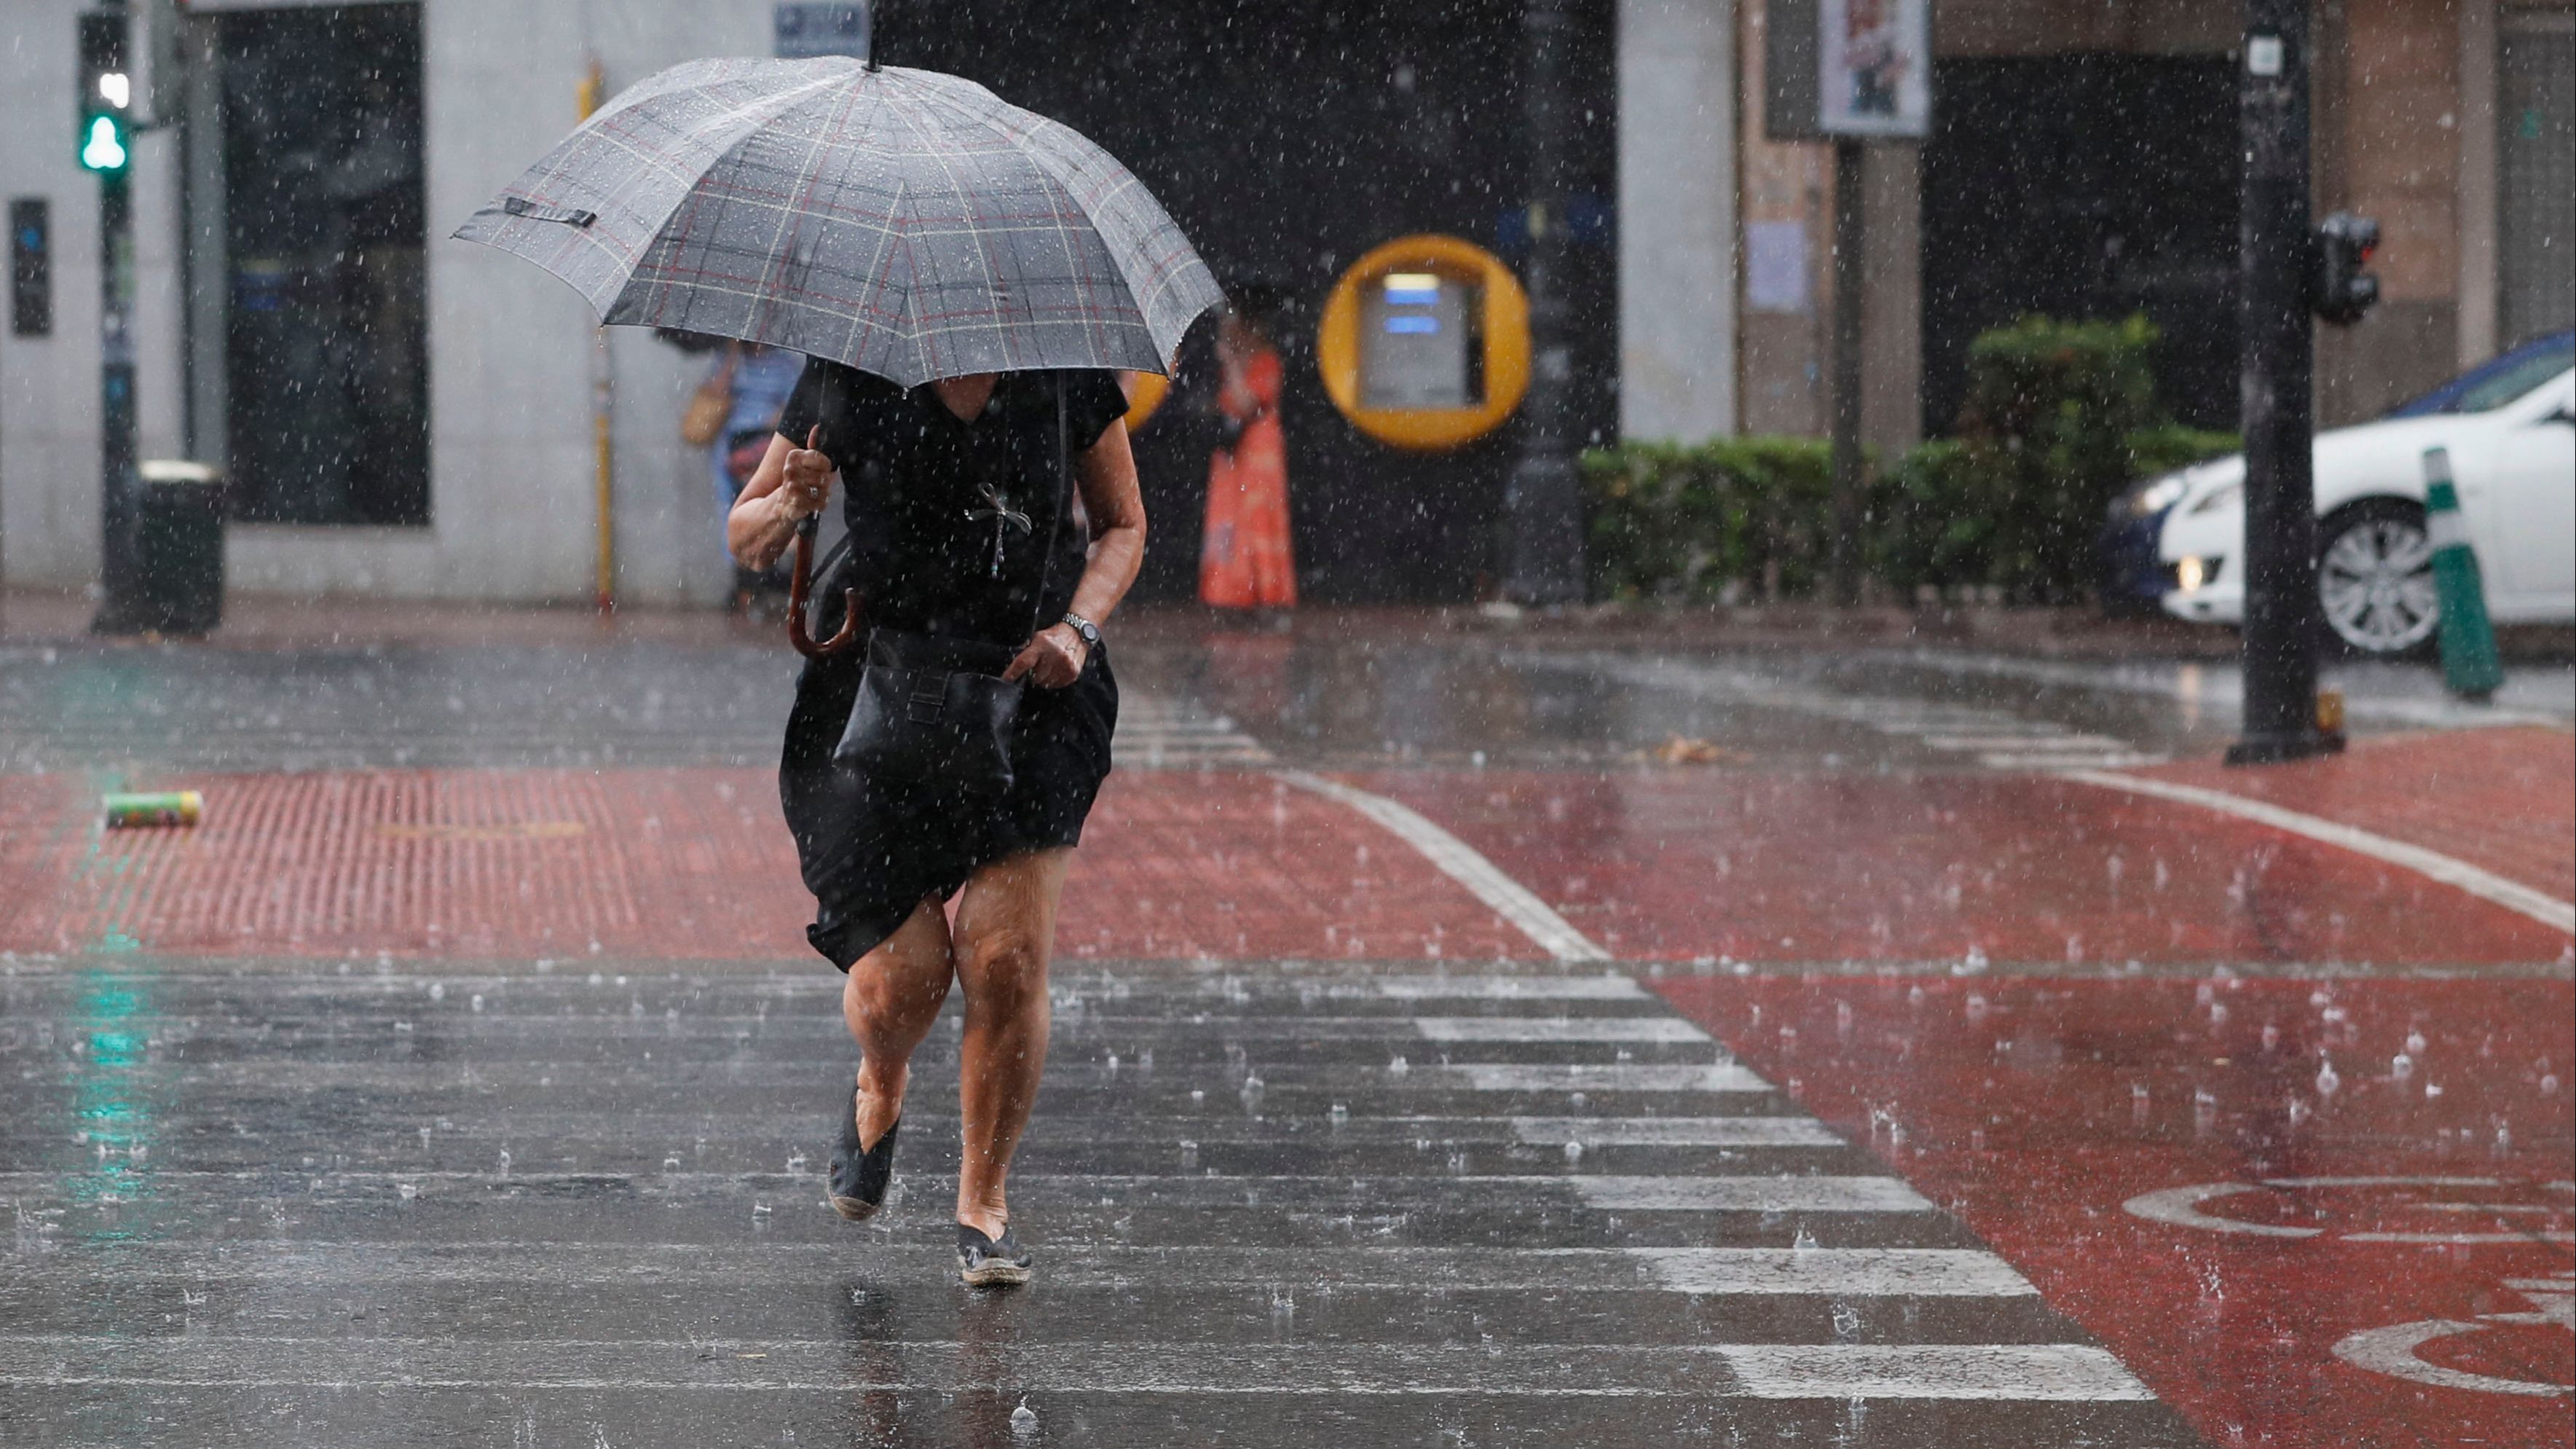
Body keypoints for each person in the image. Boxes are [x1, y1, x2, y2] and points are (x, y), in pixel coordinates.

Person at [726, 361, 1143, 1287]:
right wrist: (794, 503)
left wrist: (1079, 628)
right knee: (902, 986)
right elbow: (746, 538)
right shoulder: (849, 374)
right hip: (878, 692)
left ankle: (982, 1203)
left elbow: (1123, 524)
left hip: (1034, 688)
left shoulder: (1066, 373)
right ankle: (880, 1079)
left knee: (1003, 957)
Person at [1201, 291, 1296, 610]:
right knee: (1229, 520)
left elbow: (1246, 403)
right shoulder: (1230, 364)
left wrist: (1231, 365)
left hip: (1258, 453)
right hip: (1231, 456)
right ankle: (1229, 590)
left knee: (1257, 518)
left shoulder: (1266, 361)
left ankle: (1264, 591)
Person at [706, 344, 810, 611]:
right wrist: (730, 358)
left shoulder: (784, 365)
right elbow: (714, 394)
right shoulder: (730, 360)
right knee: (734, 510)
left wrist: (772, 424)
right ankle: (745, 582)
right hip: (732, 446)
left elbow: (795, 406)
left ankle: (769, 581)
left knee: (769, 507)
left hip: (765, 443)